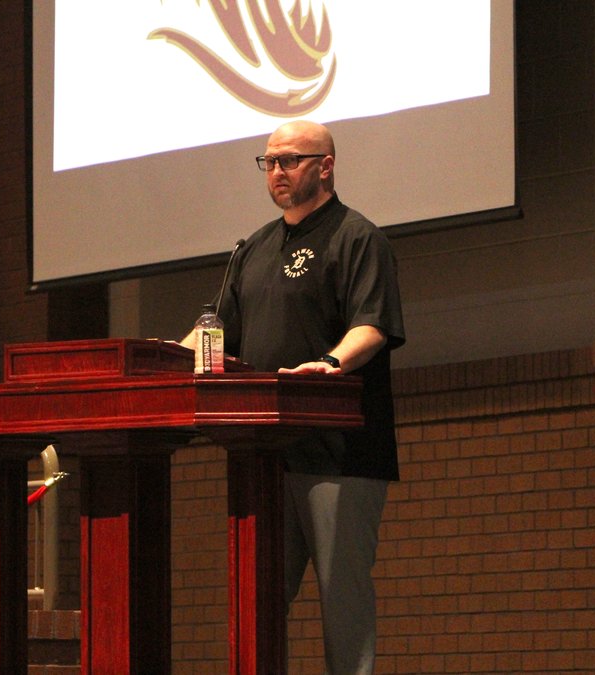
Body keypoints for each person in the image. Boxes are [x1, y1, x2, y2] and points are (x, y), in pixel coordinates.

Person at [183, 120, 404, 673]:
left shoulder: (358, 238)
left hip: (340, 453)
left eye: (289, 160)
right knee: (257, 600)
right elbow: (214, 334)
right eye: (269, 162)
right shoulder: (252, 249)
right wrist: (159, 360)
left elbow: (372, 326)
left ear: (325, 166)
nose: (277, 172)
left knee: (342, 598)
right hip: (264, 455)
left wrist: (330, 363)